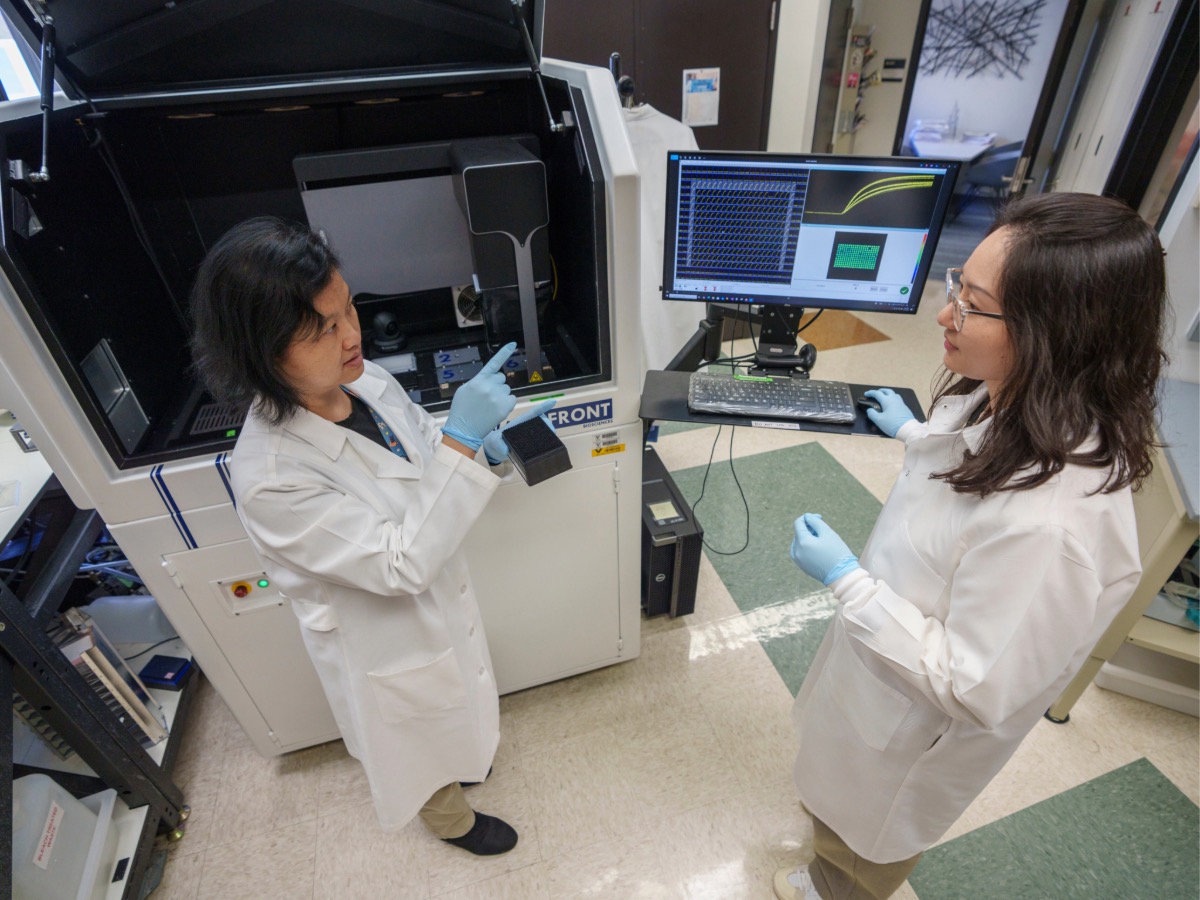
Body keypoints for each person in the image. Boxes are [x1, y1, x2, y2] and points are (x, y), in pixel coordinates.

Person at [775, 192, 1167, 900]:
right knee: (831, 803)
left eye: (971, 304)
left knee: (861, 852)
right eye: (958, 287)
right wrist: (916, 435)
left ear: (1057, 332)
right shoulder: (1019, 392)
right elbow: (969, 479)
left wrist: (850, 584)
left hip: (912, 734)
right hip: (879, 686)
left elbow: (971, 685)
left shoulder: (1054, 527)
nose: (943, 315)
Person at [189, 216, 553, 855]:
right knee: (412, 737)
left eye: (348, 307)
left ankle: (469, 755)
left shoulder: (366, 381)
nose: (352, 335)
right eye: (323, 329)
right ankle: (451, 822)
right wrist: (461, 445)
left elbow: (423, 452)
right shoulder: (271, 477)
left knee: (455, 703)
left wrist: (480, 449)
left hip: (436, 599)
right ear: (263, 350)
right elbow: (399, 566)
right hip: (382, 638)